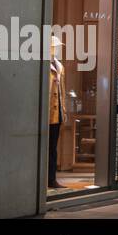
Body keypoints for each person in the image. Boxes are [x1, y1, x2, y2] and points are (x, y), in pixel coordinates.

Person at [48, 36, 67, 189]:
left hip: (57, 114)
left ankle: (51, 179)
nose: (57, 48)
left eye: (57, 46)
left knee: (53, 148)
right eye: (54, 46)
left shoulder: (59, 66)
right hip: (46, 114)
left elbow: (62, 91)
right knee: (45, 148)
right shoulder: (42, 65)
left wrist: (64, 111)